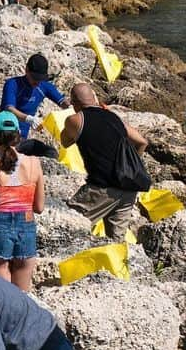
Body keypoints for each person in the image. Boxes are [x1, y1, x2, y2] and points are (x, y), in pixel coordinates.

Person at [60, 82, 150, 241]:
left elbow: (65, 142)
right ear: (94, 97)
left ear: (74, 103)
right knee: (116, 240)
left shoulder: (75, 120)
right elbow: (142, 142)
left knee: (67, 226)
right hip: (128, 187)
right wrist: (129, 167)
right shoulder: (113, 116)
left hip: (101, 189)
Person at [0, 111, 45, 291]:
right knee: (21, 297)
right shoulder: (35, 163)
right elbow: (39, 207)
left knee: (1, 295)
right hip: (26, 226)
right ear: (18, 136)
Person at [0, 53, 69, 149]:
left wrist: (72, 107)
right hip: (4, 136)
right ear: (26, 70)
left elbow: (63, 102)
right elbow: (9, 109)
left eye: (40, 79)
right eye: (34, 78)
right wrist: (29, 119)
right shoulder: (13, 84)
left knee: (50, 152)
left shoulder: (44, 86)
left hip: (22, 139)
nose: (36, 82)